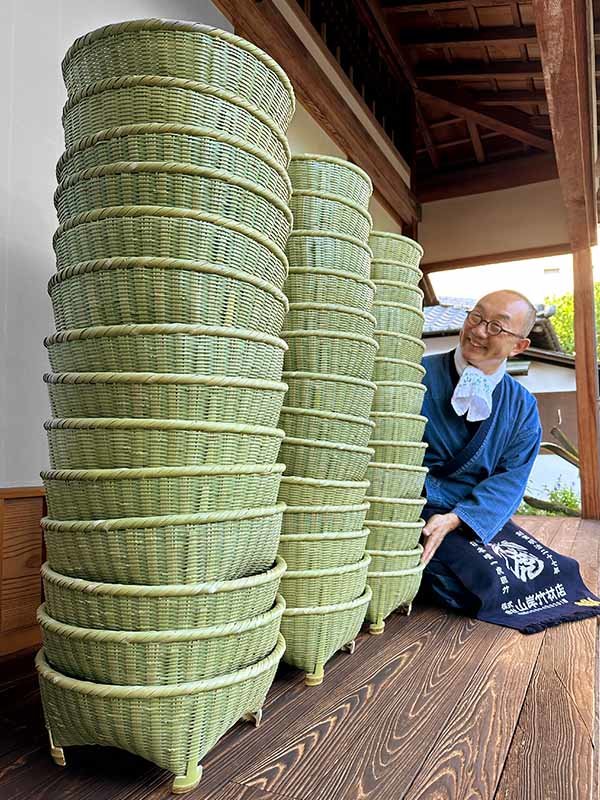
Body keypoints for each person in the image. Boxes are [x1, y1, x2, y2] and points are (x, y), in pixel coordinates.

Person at [417, 290, 600, 632]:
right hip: (415, 507)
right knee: (475, 580)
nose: (479, 331)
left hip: (472, 513)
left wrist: (458, 518)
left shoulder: (521, 405)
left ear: (519, 346)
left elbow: (511, 477)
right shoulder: (416, 375)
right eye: (476, 316)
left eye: (497, 327)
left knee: (548, 570)